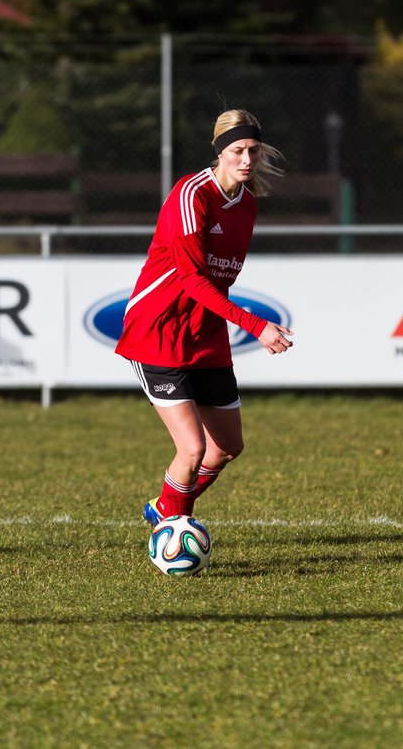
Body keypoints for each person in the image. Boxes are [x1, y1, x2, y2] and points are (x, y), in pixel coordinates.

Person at [115, 109, 294, 529]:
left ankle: (165, 508)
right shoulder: (190, 194)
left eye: (253, 150)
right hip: (159, 330)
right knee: (192, 448)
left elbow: (220, 281)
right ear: (219, 152)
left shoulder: (246, 205)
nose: (246, 160)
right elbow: (193, 280)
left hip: (205, 333)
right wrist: (256, 325)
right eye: (237, 151)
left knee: (227, 446)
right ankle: (174, 532)